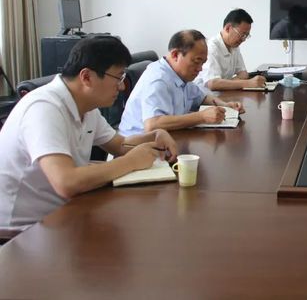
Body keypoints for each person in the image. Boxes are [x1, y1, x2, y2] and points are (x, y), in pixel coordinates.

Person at [0, 37, 178, 231]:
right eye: (118, 78)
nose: (121, 87)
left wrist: (154, 135)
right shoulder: (44, 108)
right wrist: (131, 162)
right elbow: (66, 182)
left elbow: (120, 145)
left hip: (66, 212)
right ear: (86, 77)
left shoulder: (86, 106)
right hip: (23, 231)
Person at [118, 30, 243, 136]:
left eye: (203, 63)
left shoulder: (180, 75)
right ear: (175, 55)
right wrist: (202, 117)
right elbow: (153, 124)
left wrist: (226, 105)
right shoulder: (158, 80)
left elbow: (201, 97)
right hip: (136, 147)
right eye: (196, 61)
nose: (200, 69)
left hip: (166, 140)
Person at [195, 9, 265, 91]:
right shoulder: (211, 48)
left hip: (223, 94)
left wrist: (224, 83)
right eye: (242, 34)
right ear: (228, 28)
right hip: (204, 96)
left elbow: (243, 74)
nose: (243, 39)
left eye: (246, 36)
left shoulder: (234, 46)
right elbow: (213, 84)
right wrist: (248, 83)